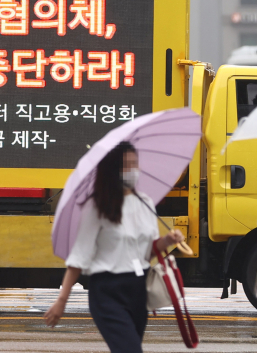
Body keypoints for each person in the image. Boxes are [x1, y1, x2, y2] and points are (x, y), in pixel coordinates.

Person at [44, 141, 184, 353]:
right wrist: (62, 300)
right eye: (126, 165)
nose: (132, 170)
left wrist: (168, 241)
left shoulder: (145, 202)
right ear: (113, 170)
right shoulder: (97, 206)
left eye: (135, 164)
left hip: (138, 289)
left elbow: (148, 251)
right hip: (108, 291)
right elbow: (79, 257)